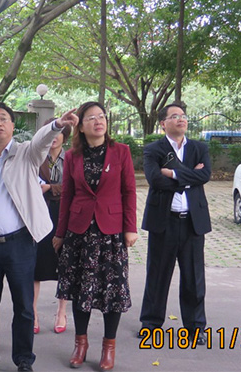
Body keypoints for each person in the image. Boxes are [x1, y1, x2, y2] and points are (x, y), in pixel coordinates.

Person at [0, 102, 78, 372]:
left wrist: (57, 125)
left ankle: (24, 359)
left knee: (24, 306)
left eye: (3, 118)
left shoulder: (27, 153)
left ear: (12, 125)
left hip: (19, 243)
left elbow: (41, 142)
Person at [53, 101, 138, 370]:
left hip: (111, 233)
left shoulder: (121, 151)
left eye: (101, 116)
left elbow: (129, 192)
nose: (98, 121)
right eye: (91, 118)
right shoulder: (72, 156)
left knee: (113, 291)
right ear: (80, 126)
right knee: (81, 290)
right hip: (79, 233)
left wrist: (130, 227)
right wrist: (60, 233)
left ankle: (108, 347)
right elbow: (67, 195)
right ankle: (80, 344)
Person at [139, 102, 211, 345]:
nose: (181, 119)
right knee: (157, 274)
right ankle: (150, 324)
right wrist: (191, 176)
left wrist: (172, 173)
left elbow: (205, 175)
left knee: (194, 277)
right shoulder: (154, 149)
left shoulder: (199, 148)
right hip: (164, 220)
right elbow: (155, 180)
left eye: (183, 115)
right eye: (174, 116)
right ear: (163, 123)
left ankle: (195, 327)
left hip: (192, 222)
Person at [33, 119, 70, 335]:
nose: (54, 138)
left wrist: (50, 188)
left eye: (59, 133)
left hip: (65, 216)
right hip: (40, 214)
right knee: (36, 266)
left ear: (65, 136)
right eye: (50, 133)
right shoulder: (36, 158)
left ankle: (61, 312)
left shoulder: (72, 158)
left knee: (64, 264)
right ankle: (33, 313)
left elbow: (77, 187)